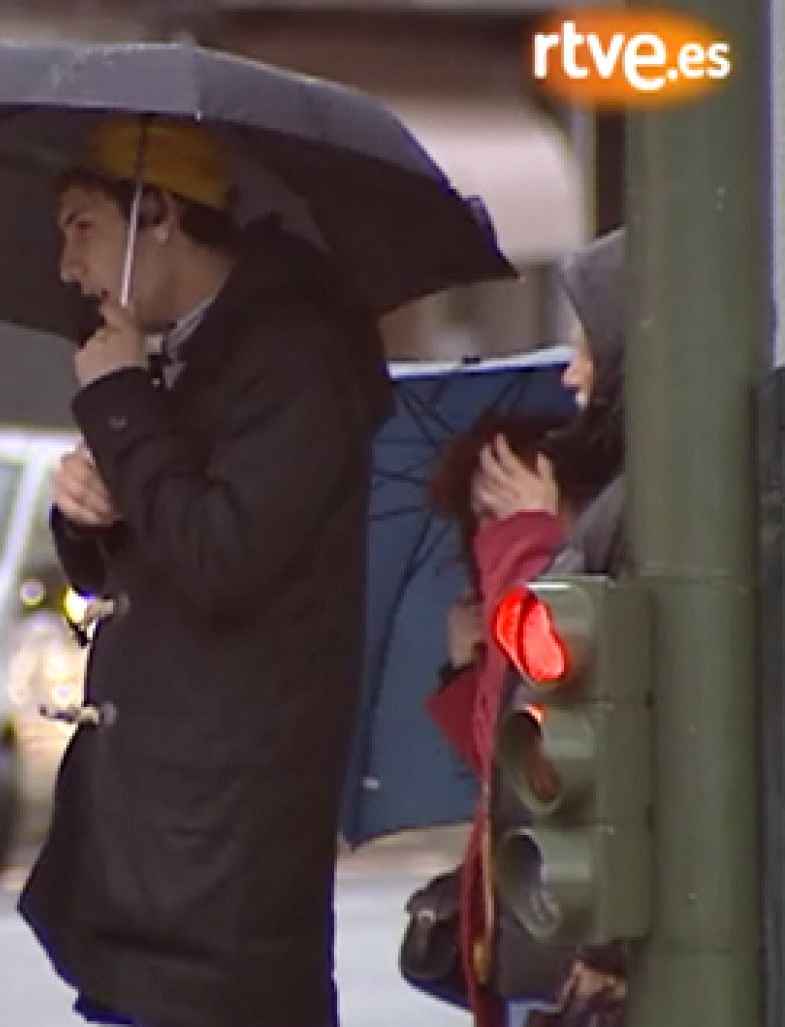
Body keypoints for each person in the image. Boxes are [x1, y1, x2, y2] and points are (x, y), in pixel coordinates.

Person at [16, 114, 394, 1027]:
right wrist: (85, 509)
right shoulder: (184, 356)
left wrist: (117, 401)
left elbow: (223, 554)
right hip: (153, 859)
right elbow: (158, 539)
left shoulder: (296, 358)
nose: (68, 265)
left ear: (161, 218)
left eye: (83, 227)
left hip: (220, 868)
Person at [421, 227, 629, 1027]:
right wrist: (467, 674)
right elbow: (514, 758)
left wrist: (525, 544)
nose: (573, 371)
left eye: (585, 349)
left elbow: (556, 716)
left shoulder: (586, 539)